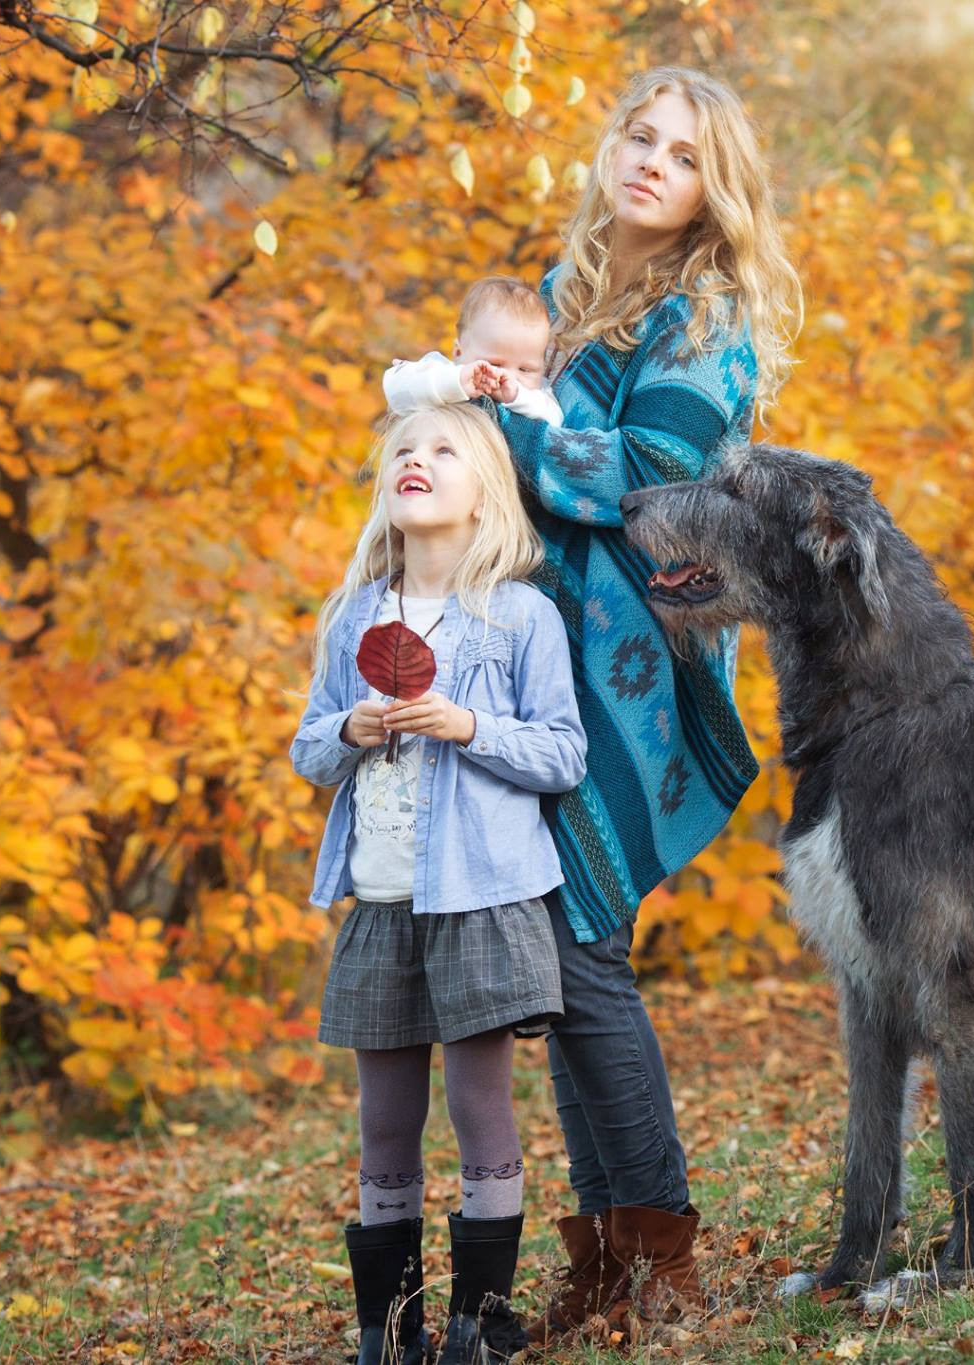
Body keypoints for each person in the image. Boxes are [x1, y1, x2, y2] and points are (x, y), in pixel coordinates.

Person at [467, 65, 802, 1340]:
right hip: (524, 654)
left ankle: (662, 1259)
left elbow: (654, 483)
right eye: (638, 135)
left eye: (684, 150)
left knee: (577, 950)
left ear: (717, 189)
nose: (652, 160)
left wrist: (505, 427)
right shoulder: (553, 299)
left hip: (633, 666)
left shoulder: (705, 317)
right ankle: (610, 1257)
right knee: (545, 961)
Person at [291, 402, 586, 1365]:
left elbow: (563, 753)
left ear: (485, 492)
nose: (417, 461)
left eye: (443, 449)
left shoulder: (520, 615)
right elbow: (307, 747)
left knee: (478, 1105)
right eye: (403, 451)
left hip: (483, 897)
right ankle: (390, 1329)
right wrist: (351, 730)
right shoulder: (355, 617)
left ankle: (478, 1323)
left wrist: (467, 726)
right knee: (384, 1118)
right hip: (380, 902)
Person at [384, 275, 565, 428]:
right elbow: (395, 388)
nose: (508, 376)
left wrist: (517, 396)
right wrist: (455, 382)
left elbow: (555, 421)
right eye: (495, 364)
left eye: (525, 370)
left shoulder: (537, 396)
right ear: (458, 353)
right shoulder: (441, 371)